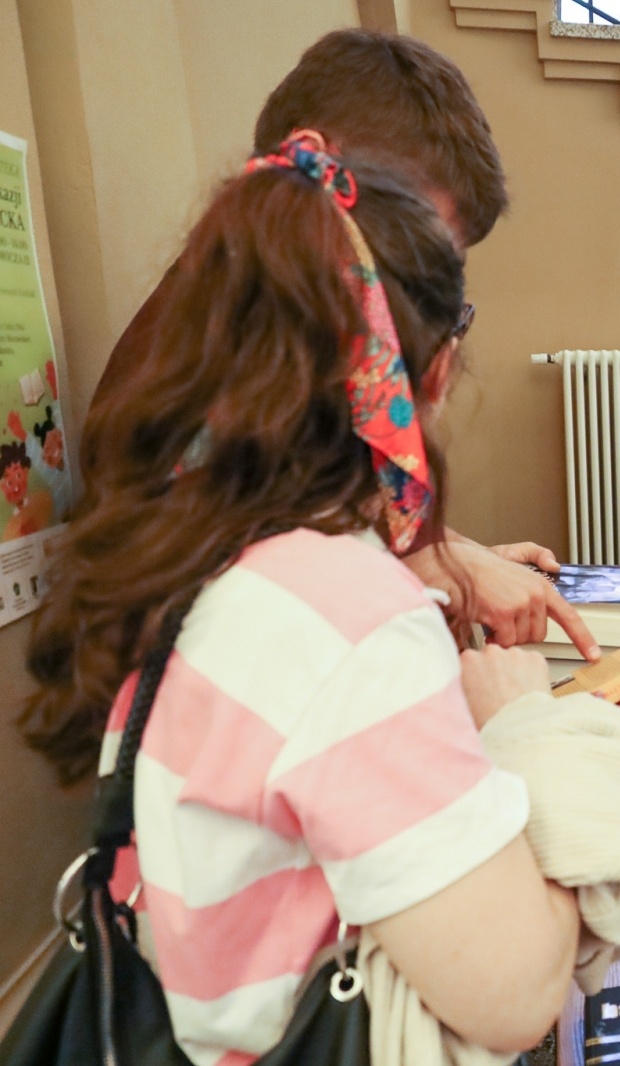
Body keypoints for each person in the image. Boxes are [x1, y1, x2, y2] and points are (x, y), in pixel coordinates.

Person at [21, 140, 583, 1060]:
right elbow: (519, 993)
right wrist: (530, 725)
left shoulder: (201, 544)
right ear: (429, 372)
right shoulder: (347, 614)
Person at [83, 28, 597, 657]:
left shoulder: (277, 326)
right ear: (318, 170)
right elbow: (253, 573)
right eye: (399, 264)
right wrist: (423, 568)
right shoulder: (198, 355)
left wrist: (457, 556)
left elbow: (330, 497)